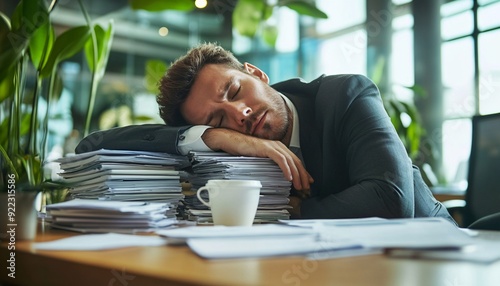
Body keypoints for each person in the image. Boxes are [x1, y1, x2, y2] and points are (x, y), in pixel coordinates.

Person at [76, 43, 454, 222]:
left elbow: (390, 201)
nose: (239, 114)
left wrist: (290, 210)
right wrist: (211, 138)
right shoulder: (223, 147)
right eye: (217, 120)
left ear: (255, 73)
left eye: (235, 92)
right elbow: (90, 146)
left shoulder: (345, 96)